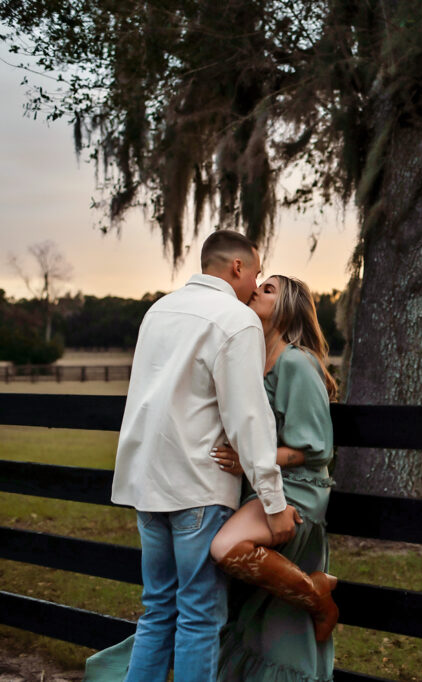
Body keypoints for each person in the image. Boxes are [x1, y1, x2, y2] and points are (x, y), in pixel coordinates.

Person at [107, 230, 299, 682]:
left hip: (146, 484)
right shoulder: (236, 319)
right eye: (255, 271)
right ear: (236, 267)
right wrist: (274, 506)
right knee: (197, 617)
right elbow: (248, 419)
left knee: (157, 611)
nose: (256, 284)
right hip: (197, 484)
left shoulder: (158, 310)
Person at [209, 274, 339, 681]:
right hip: (260, 486)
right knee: (253, 617)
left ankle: (319, 600)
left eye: (268, 290)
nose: (255, 290)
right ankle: (309, 587)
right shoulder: (251, 362)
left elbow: (314, 448)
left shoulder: (296, 363)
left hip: (297, 491)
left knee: (226, 547)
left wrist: (253, 460)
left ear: (287, 309)